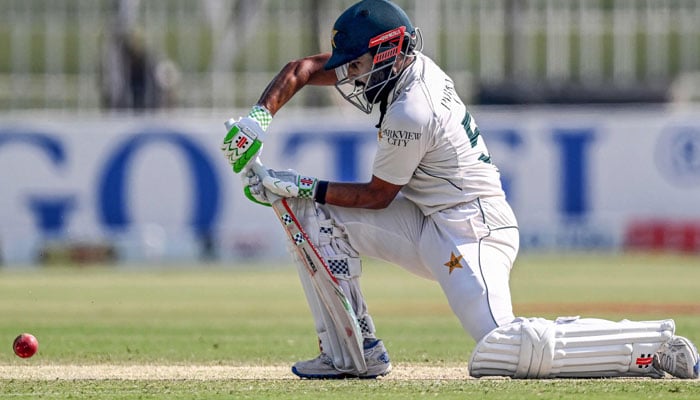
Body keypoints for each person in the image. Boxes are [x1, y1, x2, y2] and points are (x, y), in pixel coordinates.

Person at [222, 0, 699, 380]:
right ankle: (352, 353)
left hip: (472, 229)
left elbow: (376, 197)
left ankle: (651, 346)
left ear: (388, 53)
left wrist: (299, 181)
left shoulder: (413, 108)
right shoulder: (404, 65)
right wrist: (256, 120)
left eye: (359, 64)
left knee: (500, 345)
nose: (351, 76)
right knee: (307, 213)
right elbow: (302, 68)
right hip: (428, 218)